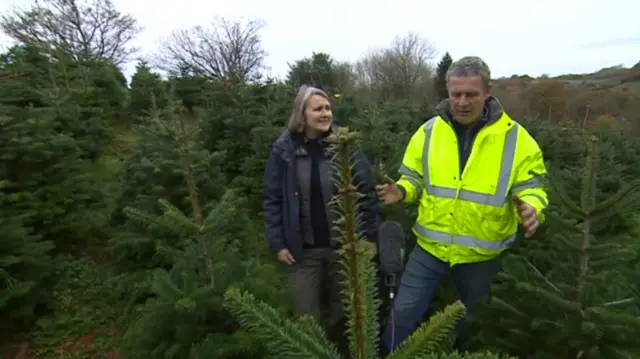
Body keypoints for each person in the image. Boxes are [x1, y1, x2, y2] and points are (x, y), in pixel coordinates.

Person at [376, 56, 548, 352]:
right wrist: (402, 191)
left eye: (471, 94)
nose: (463, 102)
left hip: (481, 257)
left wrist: (532, 208)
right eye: (456, 94)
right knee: (402, 314)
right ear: (447, 92)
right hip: (428, 249)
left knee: (471, 322)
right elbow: (414, 179)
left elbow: (532, 187)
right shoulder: (428, 132)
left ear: (488, 91)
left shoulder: (517, 140)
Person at [262, 85, 379, 332]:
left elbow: (366, 193)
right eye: (317, 109)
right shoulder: (284, 150)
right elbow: (272, 198)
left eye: (328, 108)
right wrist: (279, 243)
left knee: (346, 315)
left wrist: (368, 237)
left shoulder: (345, 145)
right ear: (301, 114)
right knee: (306, 317)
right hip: (302, 251)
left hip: (344, 249)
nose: (325, 114)